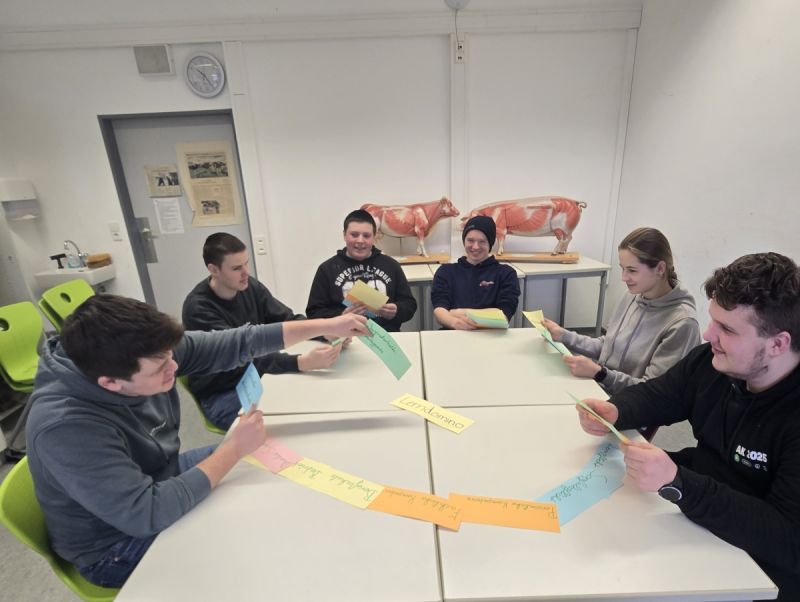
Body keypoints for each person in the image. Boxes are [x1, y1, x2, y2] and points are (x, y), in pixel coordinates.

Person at [25, 294, 368, 589]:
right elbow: (147, 513)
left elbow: (238, 342)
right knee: (252, 546)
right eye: (160, 368)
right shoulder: (65, 426)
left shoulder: (140, 352)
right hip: (114, 545)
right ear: (111, 383)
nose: (174, 366)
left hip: (161, 475)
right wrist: (233, 448)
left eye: (171, 355)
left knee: (271, 460)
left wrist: (328, 325)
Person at [576, 252, 800, 600]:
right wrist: (615, 410)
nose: (709, 335)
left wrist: (678, 483)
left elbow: (787, 540)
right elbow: (662, 393)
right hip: (699, 519)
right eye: (713, 321)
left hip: (756, 571)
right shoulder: (715, 362)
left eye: (727, 329)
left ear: (778, 344)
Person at [183, 232, 343, 430]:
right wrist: (300, 362)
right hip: (223, 391)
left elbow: (286, 319)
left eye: (246, 264)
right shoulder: (199, 308)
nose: (245, 273)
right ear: (213, 270)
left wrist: (324, 331)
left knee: (312, 401)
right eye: (236, 268)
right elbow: (241, 357)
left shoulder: (248, 286)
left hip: (257, 376)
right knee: (283, 428)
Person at [543, 227, 700, 394]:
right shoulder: (632, 295)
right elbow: (608, 345)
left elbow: (653, 392)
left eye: (632, 270)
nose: (624, 277)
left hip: (631, 404)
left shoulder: (682, 323)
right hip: (602, 389)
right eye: (622, 268)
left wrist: (600, 374)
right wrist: (563, 335)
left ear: (660, 269)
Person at [306, 209, 417, 332]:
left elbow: (410, 305)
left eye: (366, 236)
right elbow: (313, 313)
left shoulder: (391, 265)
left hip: (386, 336)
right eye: (354, 235)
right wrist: (341, 316)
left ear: (374, 237)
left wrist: (397, 310)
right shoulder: (327, 269)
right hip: (344, 336)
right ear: (344, 235)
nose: (360, 240)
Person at [431, 215, 520, 330]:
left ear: (490, 243)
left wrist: (456, 312)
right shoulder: (446, 272)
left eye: (482, 241)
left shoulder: (506, 274)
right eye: (470, 240)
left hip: (491, 336)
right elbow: (439, 310)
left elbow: (503, 315)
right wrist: (455, 323)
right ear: (464, 240)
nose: (475, 246)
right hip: (453, 333)